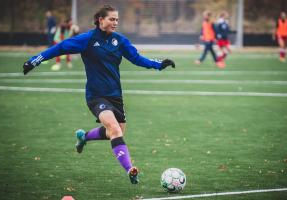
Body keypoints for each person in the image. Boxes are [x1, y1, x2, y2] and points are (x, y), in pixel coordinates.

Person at [22, 5, 175, 184]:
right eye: (111, 19)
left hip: (115, 96)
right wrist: (35, 60)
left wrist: (159, 64)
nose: (115, 22)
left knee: (115, 132)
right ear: (100, 20)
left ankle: (84, 137)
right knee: (115, 129)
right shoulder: (87, 39)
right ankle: (130, 170)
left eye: (117, 19)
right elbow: (60, 48)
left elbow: (137, 58)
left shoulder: (120, 41)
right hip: (96, 96)